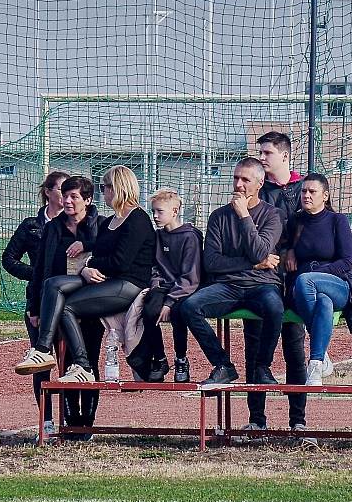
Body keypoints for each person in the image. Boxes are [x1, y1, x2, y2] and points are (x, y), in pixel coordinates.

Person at [14, 167, 155, 411]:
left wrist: (90, 264)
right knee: (53, 284)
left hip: (128, 284)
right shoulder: (111, 220)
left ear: (117, 188)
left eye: (105, 187)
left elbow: (119, 262)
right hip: (106, 279)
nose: (103, 192)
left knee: (67, 306)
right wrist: (87, 261)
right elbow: (98, 249)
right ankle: (43, 350)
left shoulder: (137, 218)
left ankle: (82, 366)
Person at [174, 158, 286, 387]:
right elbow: (212, 262)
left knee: (275, 306)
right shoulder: (219, 216)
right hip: (228, 286)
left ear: (260, 184)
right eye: (236, 178)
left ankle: (263, 367)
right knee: (190, 307)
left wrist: (244, 215)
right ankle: (223, 365)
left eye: (245, 180)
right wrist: (252, 265)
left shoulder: (273, 215)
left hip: (262, 285)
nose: (238, 185)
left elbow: (259, 252)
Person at [18, 175, 101, 435]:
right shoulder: (53, 228)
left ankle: (86, 424)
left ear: (87, 200)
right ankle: (68, 422)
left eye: (74, 196)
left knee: (88, 361)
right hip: (58, 306)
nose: (67, 201)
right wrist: (35, 307)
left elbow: (110, 252)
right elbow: (41, 269)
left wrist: (86, 245)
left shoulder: (100, 225)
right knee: (66, 365)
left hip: (91, 305)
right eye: (64, 195)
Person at [244, 131, 309, 432]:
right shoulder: (255, 189)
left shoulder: (304, 188)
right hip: (259, 279)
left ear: (284, 155)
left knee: (294, 348)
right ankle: (256, 420)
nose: (261, 158)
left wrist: (292, 248)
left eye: (267, 153)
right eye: (260, 152)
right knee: (254, 347)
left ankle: (298, 420)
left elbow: (317, 228)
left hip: (292, 280)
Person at [2, 171, 69, 422]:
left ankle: (71, 420)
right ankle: (47, 421)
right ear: (48, 192)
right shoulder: (32, 225)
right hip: (39, 301)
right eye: (62, 189)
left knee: (70, 362)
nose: (67, 196)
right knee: (41, 361)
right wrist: (38, 275)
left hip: (71, 299)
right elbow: (9, 258)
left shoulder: (76, 224)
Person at [283, 173, 352, 386]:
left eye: (312, 192)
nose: (306, 195)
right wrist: (289, 250)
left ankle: (317, 346)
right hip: (302, 290)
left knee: (308, 281)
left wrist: (318, 274)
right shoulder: (295, 221)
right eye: (303, 191)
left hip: (336, 283)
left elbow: (347, 261)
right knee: (322, 302)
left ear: (325, 196)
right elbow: (288, 245)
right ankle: (317, 360)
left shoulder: (337, 220)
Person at [129, 188, 201, 383]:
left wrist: (169, 302)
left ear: (175, 211)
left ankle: (181, 359)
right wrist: (155, 285)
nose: (155, 216)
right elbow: (154, 266)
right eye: (153, 211)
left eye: (159, 211)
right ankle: (160, 359)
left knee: (178, 313)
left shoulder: (190, 237)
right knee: (149, 311)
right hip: (163, 286)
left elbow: (190, 277)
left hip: (184, 288)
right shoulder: (157, 236)